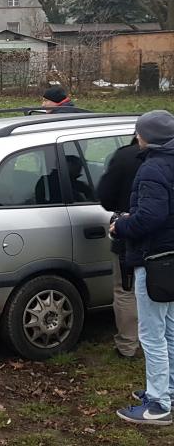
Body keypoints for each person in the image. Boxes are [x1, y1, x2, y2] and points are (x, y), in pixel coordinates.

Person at [112, 111, 174, 426]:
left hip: (154, 259)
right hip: (171, 257)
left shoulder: (152, 168)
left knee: (151, 335)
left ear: (145, 135)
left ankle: (159, 405)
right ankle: (168, 391)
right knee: (171, 331)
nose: (137, 137)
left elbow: (149, 217)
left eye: (138, 132)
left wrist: (120, 226)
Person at [98, 138, 142, 359]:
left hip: (130, 234)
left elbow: (105, 198)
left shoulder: (125, 156)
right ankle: (162, 342)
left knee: (126, 291)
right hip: (166, 238)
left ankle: (128, 345)